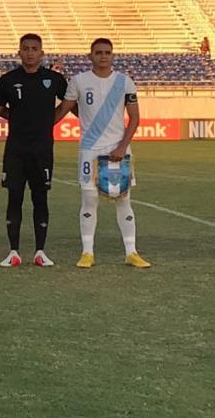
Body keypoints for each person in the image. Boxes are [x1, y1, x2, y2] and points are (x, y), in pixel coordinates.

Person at [53, 39, 151, 269]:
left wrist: (122, 147)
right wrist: (35, 126)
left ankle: (131, 252)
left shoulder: (125, 82)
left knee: (123, 200)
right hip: (89, 150)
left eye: (107, 52)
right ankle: (87, 253)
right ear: (91, 56)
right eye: (98, 53)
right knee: (89, 200)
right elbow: (62, 110)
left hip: (118, 149)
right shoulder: (79, 81)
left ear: (112, 56)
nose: (103, 56)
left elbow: (135, 118)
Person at [0, 34, 68, 268]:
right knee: (14, 198)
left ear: (41, 53)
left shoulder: (54, 79)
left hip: (42, 150)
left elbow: (70, 104)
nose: (30, 53)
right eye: (26, 48)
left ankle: (40, 252)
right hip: (15, 149)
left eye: (35, 49)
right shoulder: (8, 80)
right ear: (19, 52)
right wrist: (16, 117)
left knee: (40, 198)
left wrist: (50, 119)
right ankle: (13, 252)